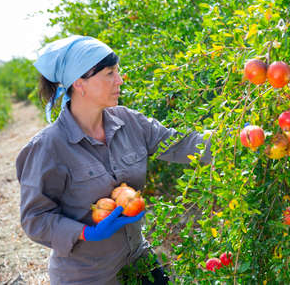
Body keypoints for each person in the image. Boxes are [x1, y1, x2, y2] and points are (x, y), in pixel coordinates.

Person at [16, 35, 212, 284]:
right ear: (79, 83)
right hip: (88, 276)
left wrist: (239, 138)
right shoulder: (48, 147)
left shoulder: (129, 121)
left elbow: (181, 144)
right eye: (109, 73)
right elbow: (35, 218)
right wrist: (86, 232)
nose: (119, 80)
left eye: (117, 72)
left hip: (137, 259)